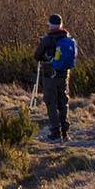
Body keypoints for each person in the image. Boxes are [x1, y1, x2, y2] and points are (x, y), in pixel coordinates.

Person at [33, 14, 77, 142]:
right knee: (63, 101)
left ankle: (55, 131)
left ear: (51, 25)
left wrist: (43, 47)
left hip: (50, 75)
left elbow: (37, 56)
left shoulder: (47, 39)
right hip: (64, 74)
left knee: (51, 102)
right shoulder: (67, 38)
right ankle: (65, 131)